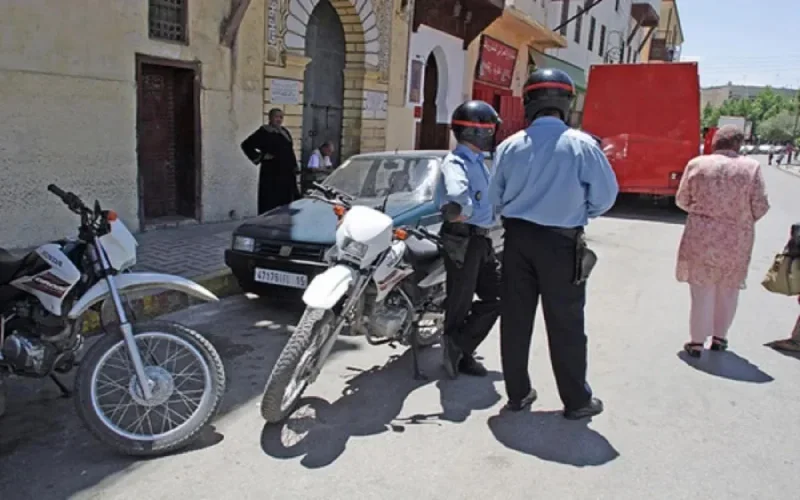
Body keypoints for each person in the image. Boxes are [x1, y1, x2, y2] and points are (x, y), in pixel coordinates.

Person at [489, 68, 619, 419]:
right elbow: (606, 197)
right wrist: (578, 210)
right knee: (566, 323)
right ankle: (576, 402)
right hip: (561, 244)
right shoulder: (582, 145)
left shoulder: (508, 146)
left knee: (515, 320)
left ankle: (517, 394)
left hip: (516, 241)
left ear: (529, 102)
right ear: (566, 103)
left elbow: (493, 198)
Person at [675, 124, 770, 357]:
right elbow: (760, 205)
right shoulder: (752, 168)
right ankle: (720, 338)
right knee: (728, 289)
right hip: (736, 238)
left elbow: (682, 200)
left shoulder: (697, 164)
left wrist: (705, 214)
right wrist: (737, 219)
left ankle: (696, 342)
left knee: (701, 288)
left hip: (701, 235)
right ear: (738, 143)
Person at [436, 100, 502, 379]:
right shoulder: (456, 162)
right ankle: (458, 354)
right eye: (490, 130)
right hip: (464, 239)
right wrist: (465, 210)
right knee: (460, 301)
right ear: (479, 133)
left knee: (498, 295)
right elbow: (456, 195)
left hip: (480, 239)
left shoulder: (478, 162)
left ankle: (459, 345)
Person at [241, 108, 300, 214]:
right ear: (270, 118)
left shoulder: (284, 132)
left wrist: (294, 166)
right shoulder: (264, 132)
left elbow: (290, 150)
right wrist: (261, 156)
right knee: (270, 199)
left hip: (286, 173)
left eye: (281, 117)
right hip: (271, 173)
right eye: (276, 117)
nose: (279, 119)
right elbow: (246, 145)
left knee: (286, 199)